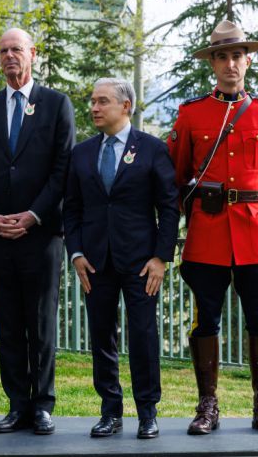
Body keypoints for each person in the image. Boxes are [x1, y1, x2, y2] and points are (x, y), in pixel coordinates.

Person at [168, 20, 258, 435]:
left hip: (255, 234)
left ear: (248, 60)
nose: (230, 64)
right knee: (206, 322)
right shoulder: (192, 113)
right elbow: (179, 172)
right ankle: (207, 407)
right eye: (222, 56)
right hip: (207, 236)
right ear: (213, 63)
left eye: (237, 55)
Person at [0, 28, 75, 435]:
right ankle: (17, 403)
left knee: (41, 321)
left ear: (33, 54)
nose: (10, 56)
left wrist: (33, 215)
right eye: (3, 51)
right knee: (8, 322)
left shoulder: (56, 104)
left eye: (17, 50)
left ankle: (43, 404)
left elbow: (62, 169)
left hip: (42, 234)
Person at [63, 78, 179, 440]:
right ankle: (110, 411)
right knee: (102, 337)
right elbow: (72, 209)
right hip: (95, 262)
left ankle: (147, 412)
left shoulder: (152, 149)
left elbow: (169, 208)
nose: (94, 108)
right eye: (92, 101)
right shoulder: (81, 153)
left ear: (125, 106)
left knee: (143, 336)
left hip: (142, 262)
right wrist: (77, 253)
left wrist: (161, 257)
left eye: (102, 102)